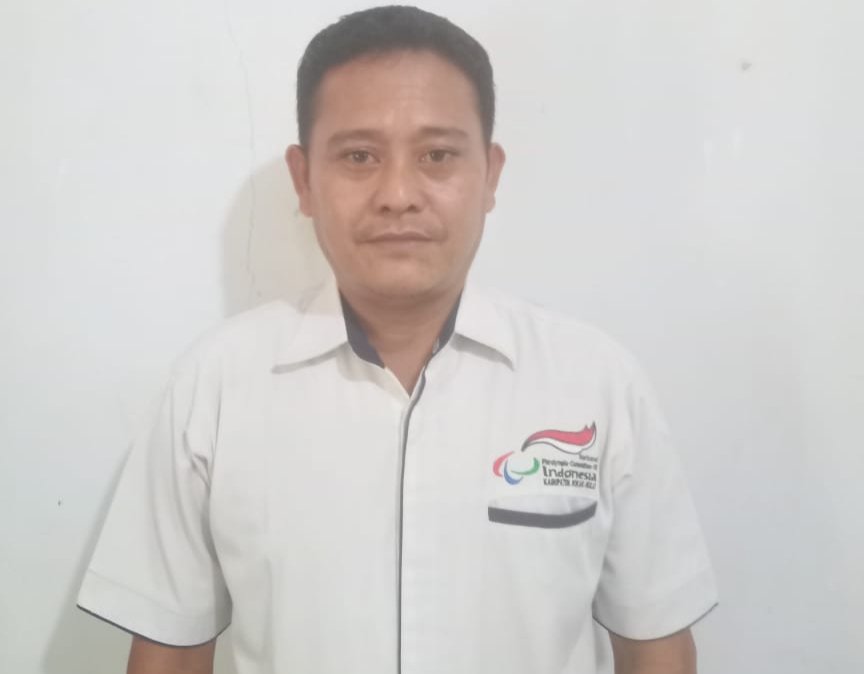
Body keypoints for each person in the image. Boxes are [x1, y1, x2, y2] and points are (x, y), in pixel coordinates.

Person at [77, 6, 718, 674]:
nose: (399, 194)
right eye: (359, 156)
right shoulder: (214, 389)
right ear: (304, 180)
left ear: (490, 175)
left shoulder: (595, 384)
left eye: (437, 155)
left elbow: (657, 648)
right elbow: (170, 657)